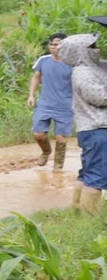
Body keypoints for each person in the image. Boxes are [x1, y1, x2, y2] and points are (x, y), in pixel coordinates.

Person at [58, 30, 107, 212]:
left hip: (95, 129)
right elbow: (100, 97)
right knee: (97, 175)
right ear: (80, 51)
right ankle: (89, 218)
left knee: (87, 172)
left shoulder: (96, 67)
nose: (96, 49)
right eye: (92, 46)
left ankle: (76, 210)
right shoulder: (83, 73)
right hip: (97, 128)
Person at [29, 33, 73, 169]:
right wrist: (31, 95)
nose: (54, 47)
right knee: (38, 134)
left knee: (61, 138)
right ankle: (46, 151)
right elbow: (36, 77)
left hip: (65, 105)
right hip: (45, 103)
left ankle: (58, 167)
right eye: (52, 44)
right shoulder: (43, 60)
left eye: (58, 44)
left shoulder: (72, 63)